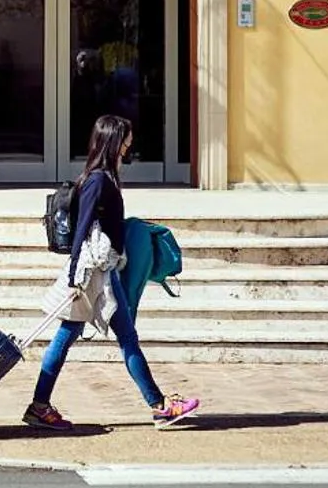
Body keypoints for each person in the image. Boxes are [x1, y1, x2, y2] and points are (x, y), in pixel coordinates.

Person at [22, 113, 201, 431]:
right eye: (126, 140)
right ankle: (159, 406)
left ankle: (40, 405)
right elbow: (82, 229)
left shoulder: (102, 177)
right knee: (122, 339)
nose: (130, 145)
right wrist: (76, 275)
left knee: (73, 337)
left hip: (100, 270)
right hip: (95, 274)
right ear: (115, 141)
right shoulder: (98, 180)